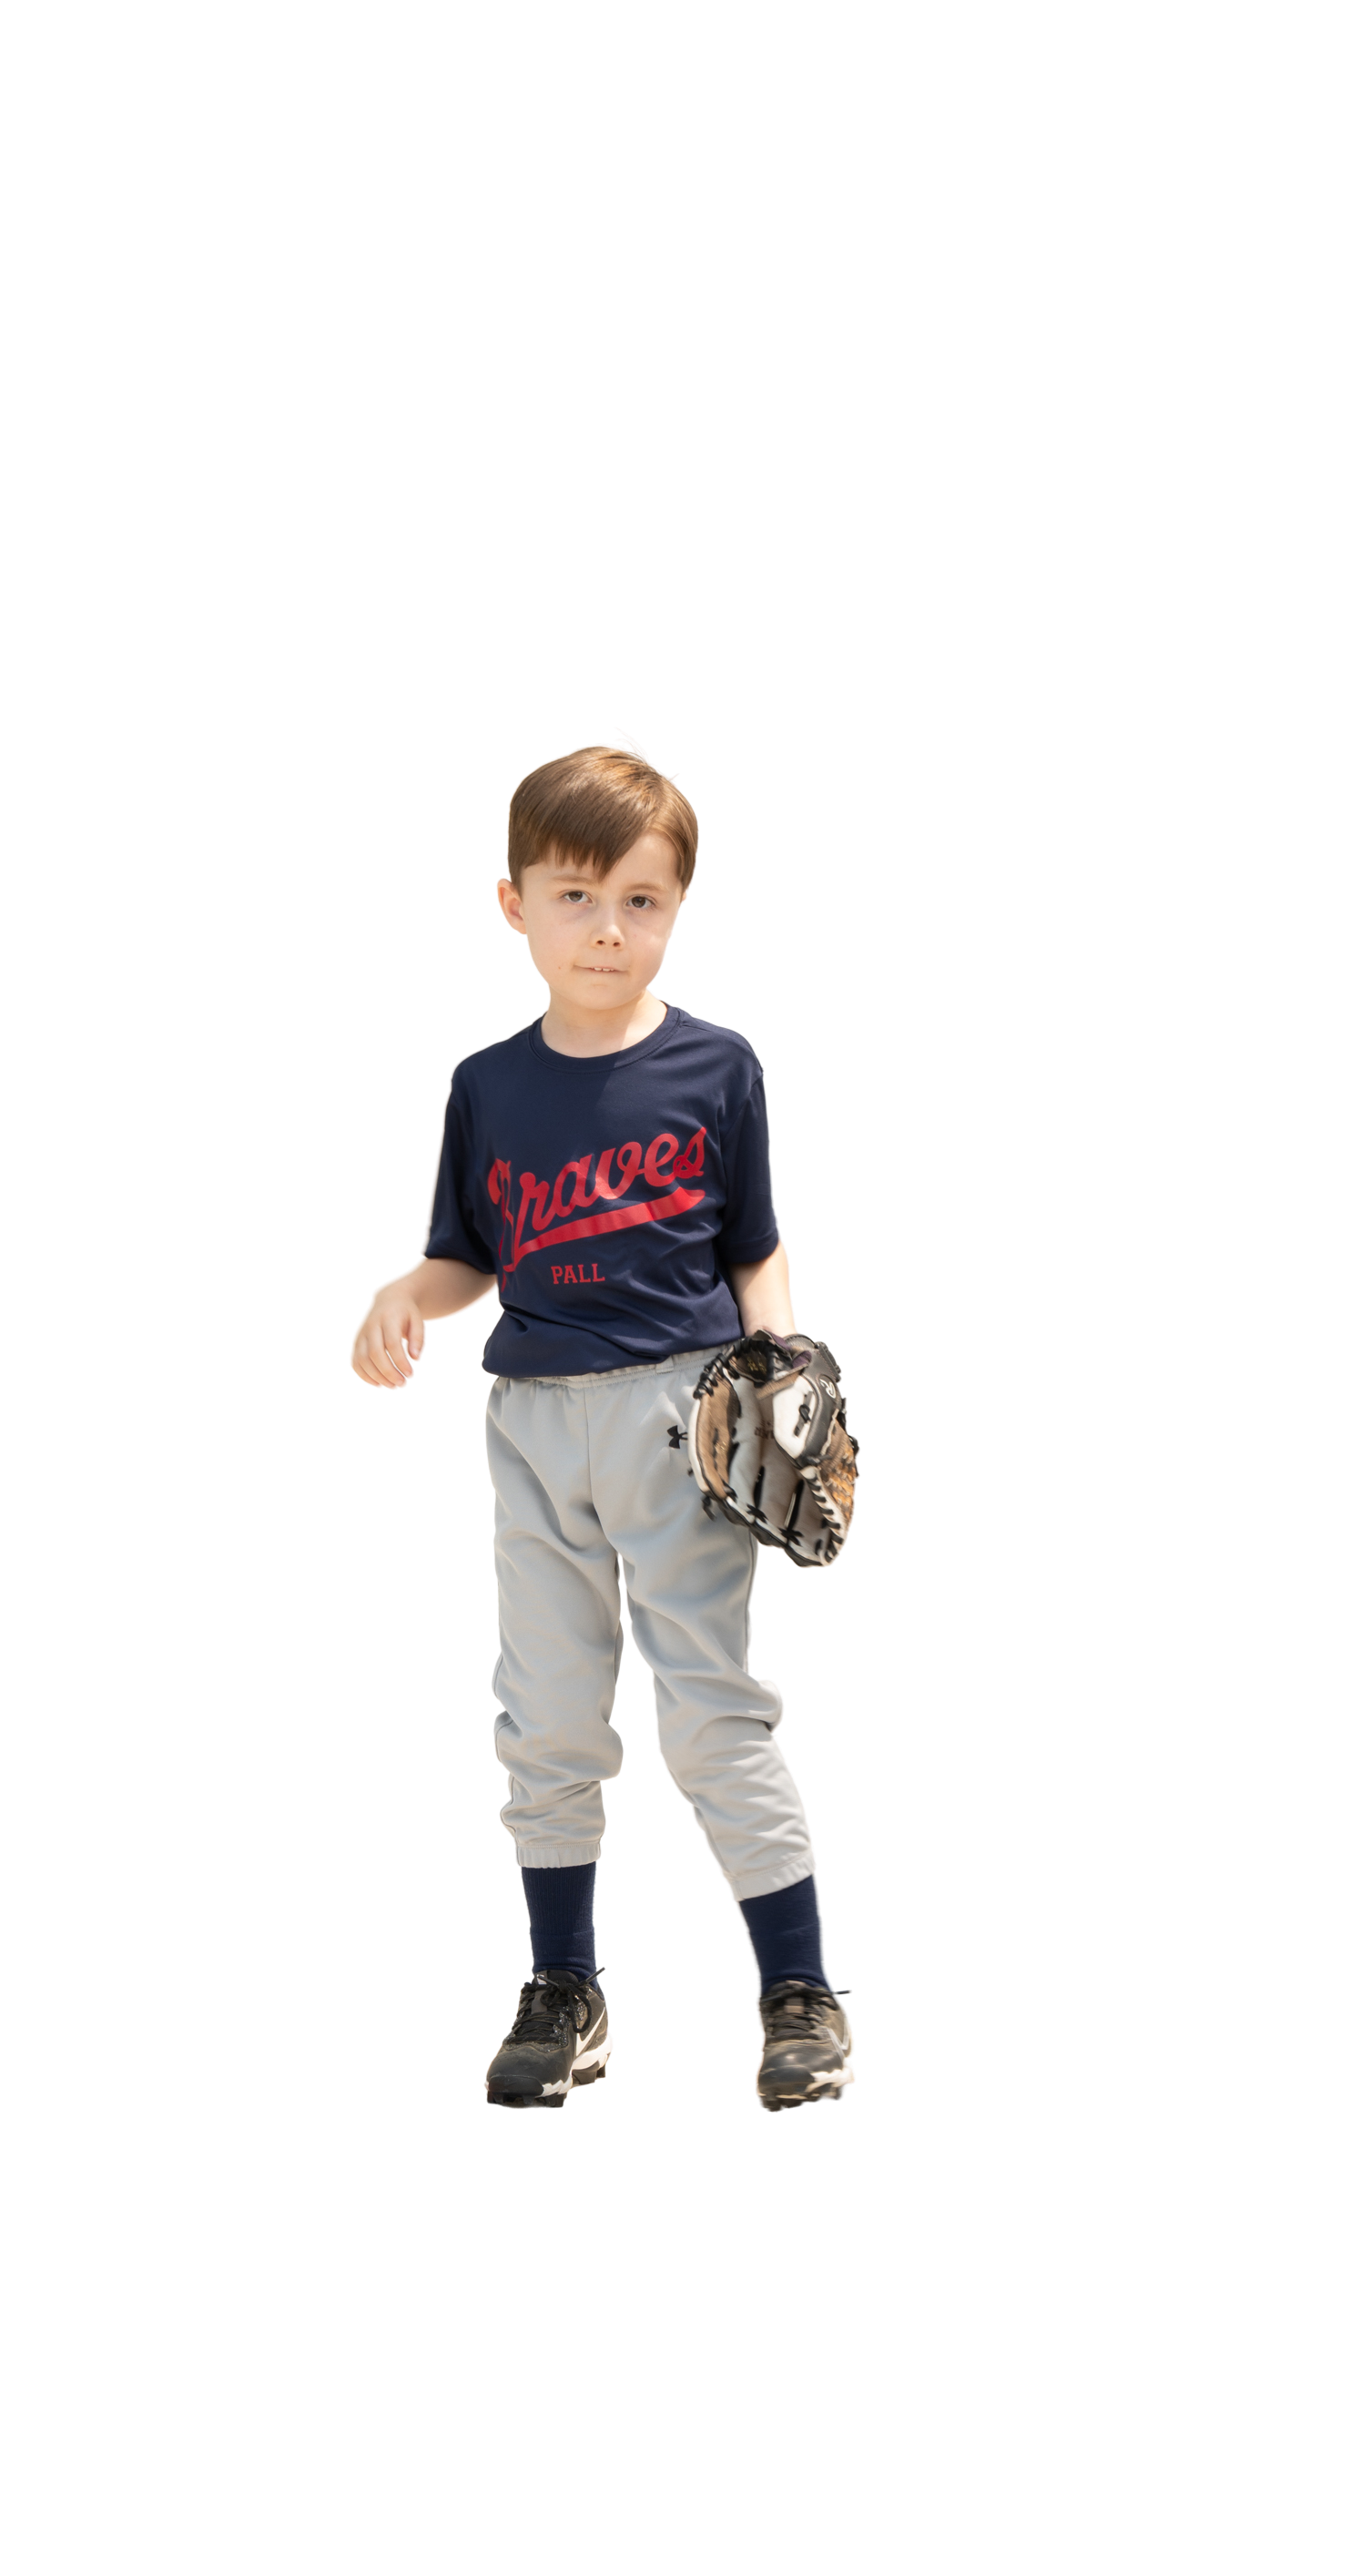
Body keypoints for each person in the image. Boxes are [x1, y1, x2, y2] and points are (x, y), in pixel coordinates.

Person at [348, 733, 854, 2115]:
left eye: (642, 898)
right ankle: (565, 1990)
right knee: (549, 1715)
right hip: (529, 1424)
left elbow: (754, 1244)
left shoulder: (718, 1066)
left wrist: (779, 1357)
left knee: (711, 1713)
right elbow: (468, 1255)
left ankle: (798, 1994)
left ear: (679, 907)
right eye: (575, 896)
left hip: (680, 1417)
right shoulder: (486, 1084)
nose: (608, 927)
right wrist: (404, 1292)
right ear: (513, 904)